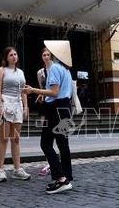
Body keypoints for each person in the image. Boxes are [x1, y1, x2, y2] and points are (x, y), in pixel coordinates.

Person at [23, 41, 75, 195]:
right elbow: (64, 92)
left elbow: (54, 92)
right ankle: (66, 176)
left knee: (45, 143)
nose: (47, 54)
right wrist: (42, 94)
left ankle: (61, 179)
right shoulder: (65, 69)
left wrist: (33, 90)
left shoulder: (54, 69)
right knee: (62, 144)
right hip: (64, 109)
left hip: (56, 109)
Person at [0, 46, 31, 182]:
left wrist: (26, 106)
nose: (14, 57)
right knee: (4, 138)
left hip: (17, 105)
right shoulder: (1, 70)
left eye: (15, 54)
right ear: (6, 57)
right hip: (5, 102)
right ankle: (0, 169)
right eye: (11, 55)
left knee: (16, 138)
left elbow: (23, 90)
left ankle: (17, 169)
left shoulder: (21, 72)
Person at [36, 48, 52, 177]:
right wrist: (40, 95)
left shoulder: (56, 70)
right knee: (46, 135)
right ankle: (50, 163)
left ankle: (54, 163)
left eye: (48, 55)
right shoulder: (40, 72)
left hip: (56, 105)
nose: (46, 57)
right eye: (44, 55)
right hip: (45, 105)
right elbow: (42, 88)